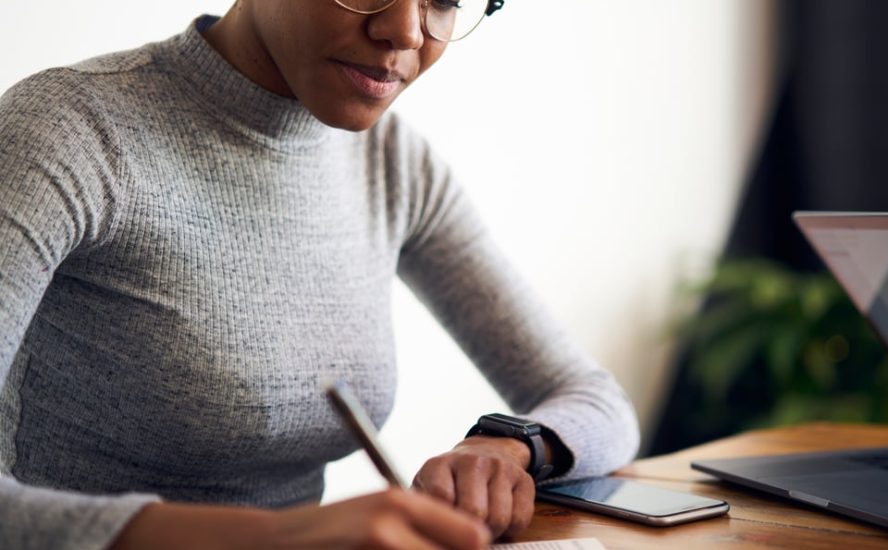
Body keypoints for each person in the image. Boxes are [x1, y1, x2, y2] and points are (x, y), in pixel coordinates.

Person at [0, 0, 641, 548]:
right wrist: (276, 539)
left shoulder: (394, 165)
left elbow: (598, 402)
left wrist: (505, 448)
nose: (408, 31)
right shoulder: (68, 132)